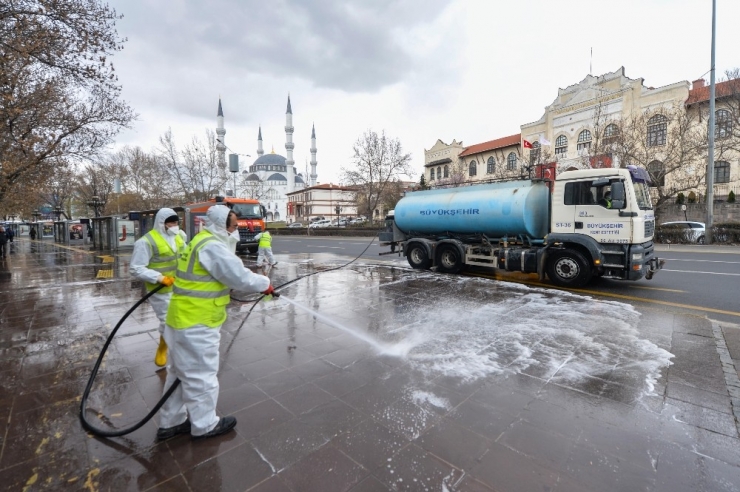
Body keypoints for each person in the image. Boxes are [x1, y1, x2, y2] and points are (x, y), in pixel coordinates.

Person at [157, 205, 273, 440]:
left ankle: (170, 423)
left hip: (182, 317)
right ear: (222, 225)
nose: (236, 229)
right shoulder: (212, 246)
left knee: (179, 373)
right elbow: (239, 277)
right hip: (197, 321)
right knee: (201, 374)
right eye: (233, 225)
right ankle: (205, 425)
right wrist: (265, 284)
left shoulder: (200, 239)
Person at [130, 209, 187, 367]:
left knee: (179, 320)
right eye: (171, 222)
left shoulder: (180, 236)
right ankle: (166, 350)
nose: (175, 225)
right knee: (169, 321)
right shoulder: (146, 242)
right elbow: (136, 268)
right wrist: (159, 278)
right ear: (162, 223)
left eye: (176, 222)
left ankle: (165, 343)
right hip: (160, 291)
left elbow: (186, 256)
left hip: (180, 287)